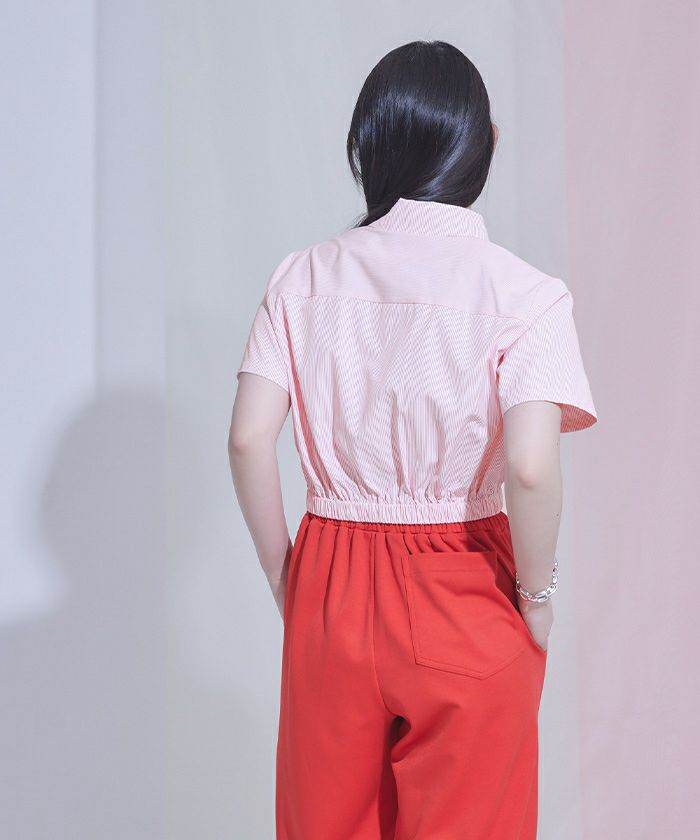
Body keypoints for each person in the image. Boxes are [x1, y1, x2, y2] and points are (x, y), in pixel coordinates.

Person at [228, 39, 597, 840]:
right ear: (485, 144)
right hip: (466, 574)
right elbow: (532, 466)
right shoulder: (526, 294)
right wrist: (536, 600)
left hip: (332, 576)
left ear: (368, 147)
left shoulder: (301, 277)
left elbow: (249, 439)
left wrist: (287, 576)